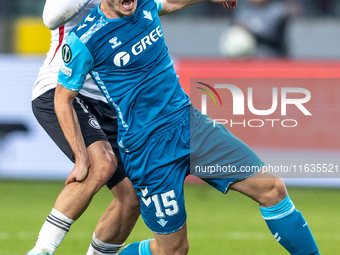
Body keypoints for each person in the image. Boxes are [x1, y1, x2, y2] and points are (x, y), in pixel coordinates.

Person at [54, 0, 320, 254]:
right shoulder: (83, 40)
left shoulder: (144, 4)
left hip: (190, 126)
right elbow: (62, 99)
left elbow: (170, 3)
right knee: (173, 251)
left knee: (272, 188)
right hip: (148, 152)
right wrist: (81, 157)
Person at [27, 0, 140, 254]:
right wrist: (80, 157)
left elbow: (163, 4)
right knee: (100, 163)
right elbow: (50, 18)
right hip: (60, 89)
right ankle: (41, 250)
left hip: (103, 100)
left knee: (132, 197)